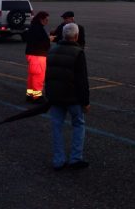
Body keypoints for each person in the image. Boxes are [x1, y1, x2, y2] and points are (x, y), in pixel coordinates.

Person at [44, 23, 90, 171]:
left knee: (57, 127)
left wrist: (49, 95)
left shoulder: (52, 50)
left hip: (55, 95)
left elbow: (48, 75)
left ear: (63, 35)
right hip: (72, 96)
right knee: (78, 124)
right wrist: (85, 101)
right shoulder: (78, 52)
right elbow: (82, 79)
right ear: (76, 36)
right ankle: (75, 158)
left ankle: (58, 160)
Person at [24, 11, 55, 102]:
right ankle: (37, 96)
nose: (47, 21)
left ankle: (30, 95)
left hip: (31, 54)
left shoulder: (34, 27)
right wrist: (49, 40)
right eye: (46, 19)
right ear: (41, 19)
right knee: (38, 76)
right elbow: (41, 42)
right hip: (38, 55)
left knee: (32, 76)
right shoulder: (38, 29)